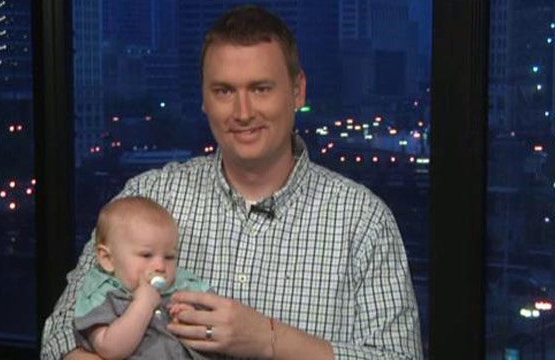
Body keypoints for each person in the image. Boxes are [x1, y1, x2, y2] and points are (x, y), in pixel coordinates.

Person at [42, 4, 423, 359]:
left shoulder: (363, 221)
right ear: (205, 99)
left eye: (261, 89)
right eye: (224, 91)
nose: (242, 112)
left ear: (297, 91)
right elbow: (59, 332)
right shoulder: (146, 197)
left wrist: (269, 339)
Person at [73, 196, 212, 359]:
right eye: (146, 255)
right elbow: (110, 349)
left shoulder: (184, 288)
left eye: (169, 257)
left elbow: (216, 337)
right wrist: (142, 305)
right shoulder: (103, 296)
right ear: (108, 259)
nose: (160, 266)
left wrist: (190, 320)